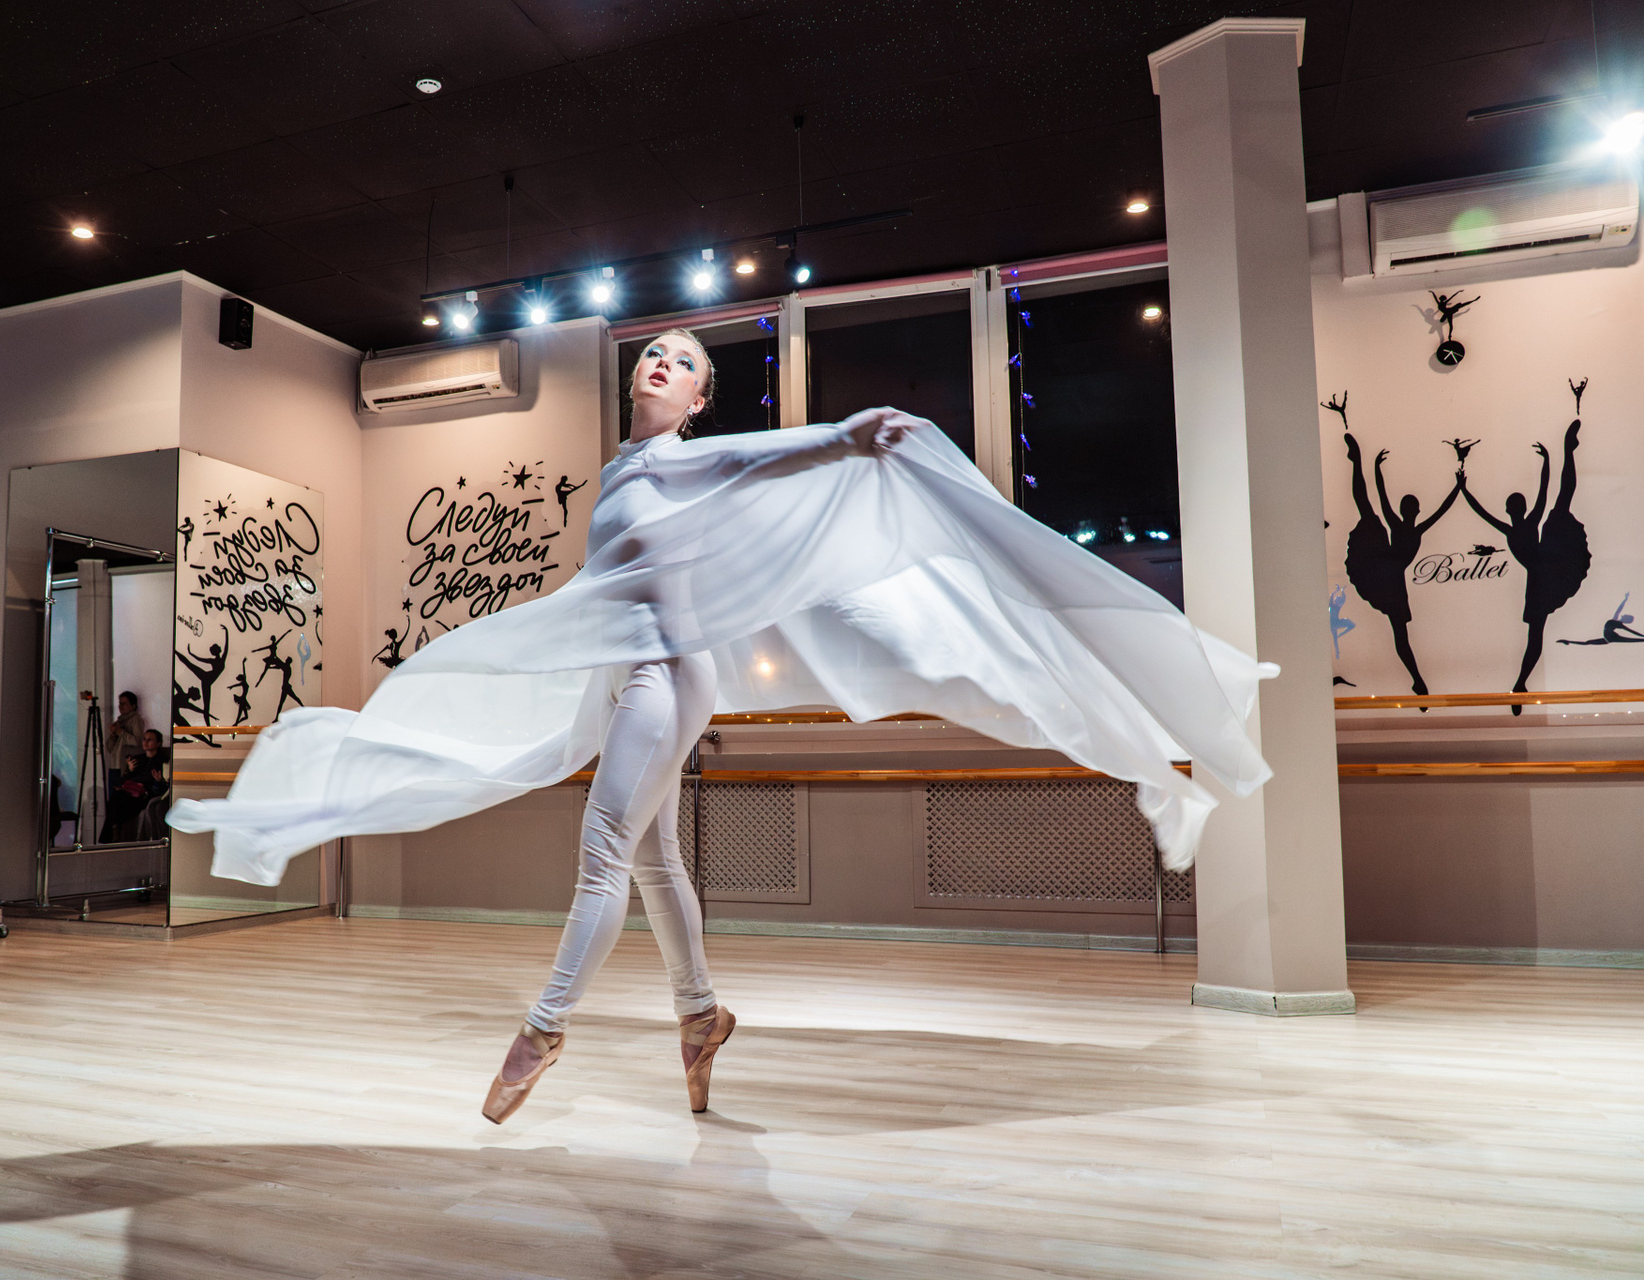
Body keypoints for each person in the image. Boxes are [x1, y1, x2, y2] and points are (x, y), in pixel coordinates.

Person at [171, 328, 1276, 1125]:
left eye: (686, 363)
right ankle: (700, 1015)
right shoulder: (623, 469)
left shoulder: (678, 458)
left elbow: (753, 457)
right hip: (635, 676)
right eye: (654, 354)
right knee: (653, 859)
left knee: (602, 851)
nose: (664, 363)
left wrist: (839, 439)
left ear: (699, 398)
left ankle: (545, 1027)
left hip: (664, 677)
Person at [1461, 384, 1593, 712]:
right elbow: (1490, 509)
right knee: (1561, 502)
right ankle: (1520, 683)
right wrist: (1463, 491)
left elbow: (1539, 493)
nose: (1517, 506)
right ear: (1514, 509)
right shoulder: (1520, 525)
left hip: (1544, 568)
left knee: (1561, 502)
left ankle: (1569, 450)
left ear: (1511, 509)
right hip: (1544, 573)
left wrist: (1547, 462)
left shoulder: (1517, 526)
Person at [1335, 395, 1462, 697]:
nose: (1408, 508)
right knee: (1366, 509)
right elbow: (1381, 497)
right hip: (1384, 566)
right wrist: (1375, 469)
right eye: (1407, 505)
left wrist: (1459, 488)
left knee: (1401, 636)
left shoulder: (1412, 527)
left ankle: (1417, 679)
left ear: (1414, 510)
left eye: (1410, 505)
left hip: (1390, 576)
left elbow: (1441, 510)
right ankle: (1356, 461)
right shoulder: (1403, 526)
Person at [102, 692, 147, 837]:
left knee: (119, 800)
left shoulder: (136, 720)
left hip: (124, 766)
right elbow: (109, 747)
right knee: (112, 800)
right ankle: (112, 832)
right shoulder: (119, 721)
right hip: (114, 765)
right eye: (119, 703)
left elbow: (138, 741)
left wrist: (121, 732)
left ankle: (117, 834)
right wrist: (114, 734)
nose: (120, 707)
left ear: (133, 705)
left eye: (124, 704)